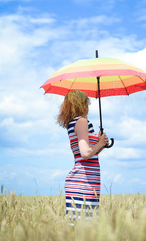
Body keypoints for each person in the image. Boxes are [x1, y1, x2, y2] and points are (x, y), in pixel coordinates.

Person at [57, 90, 109, 225]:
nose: (88, 106)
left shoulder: (74, 122)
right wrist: (99, 143)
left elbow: (90, 154)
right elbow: (85, 154)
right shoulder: (81, 122)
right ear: (81, 104)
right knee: (84, 228)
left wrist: (100, 145)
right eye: (86, 103)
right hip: (83, 182)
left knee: (82, 229)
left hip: (87, 181)